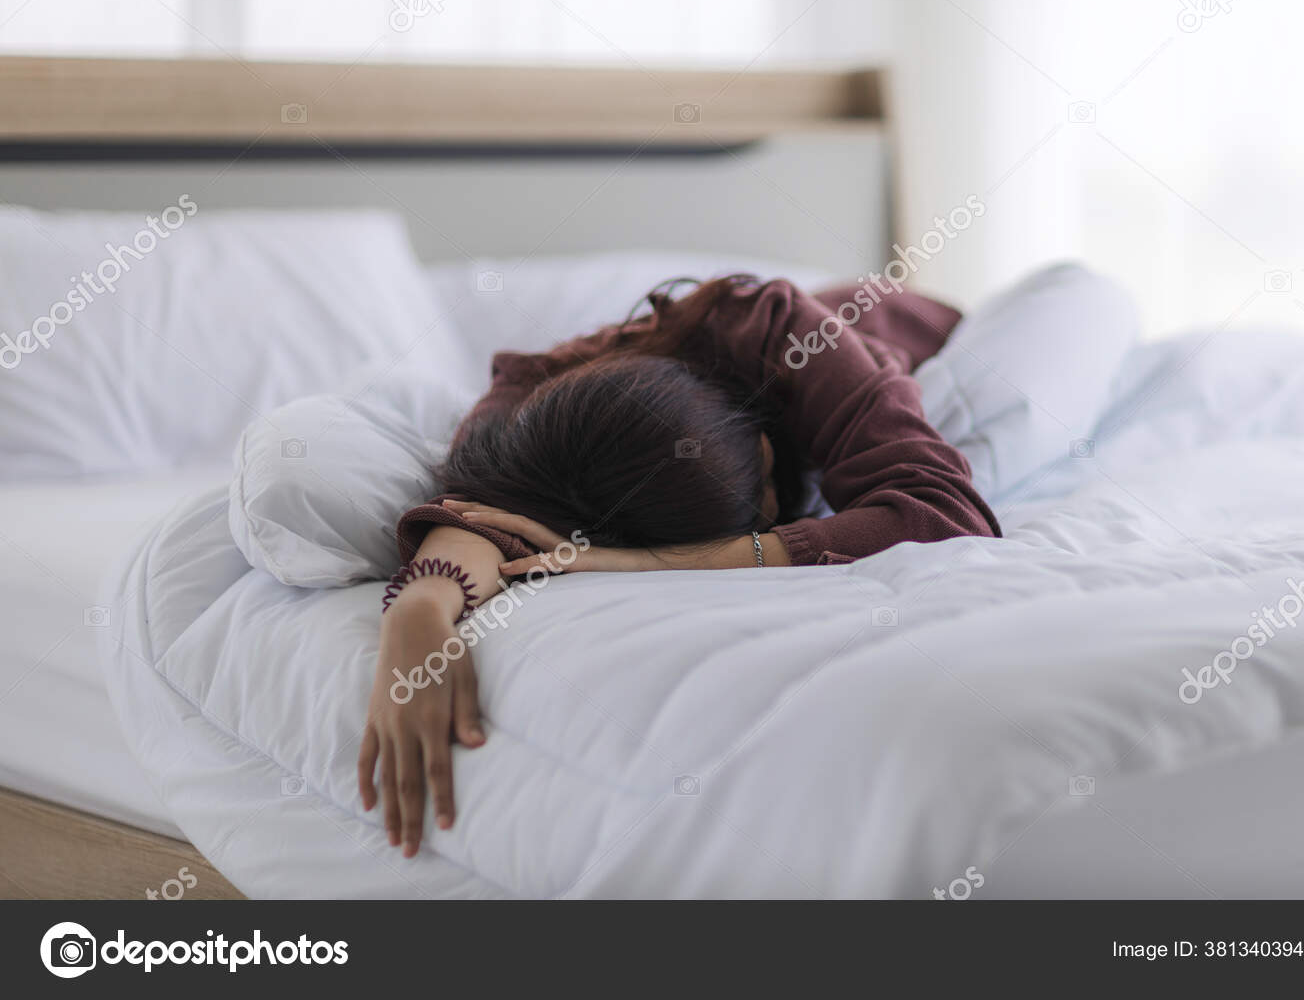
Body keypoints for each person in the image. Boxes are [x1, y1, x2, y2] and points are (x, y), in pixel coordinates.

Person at [358, 274, 1000, 856]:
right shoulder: (527, 420)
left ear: (758, 433)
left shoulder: (781, 330)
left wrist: (661, 560)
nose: (775, 511)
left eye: (765, 490)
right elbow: (482, 515)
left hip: (922, 323)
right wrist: (419, 609)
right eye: (761, 515)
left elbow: (945, 510)